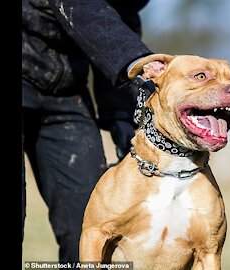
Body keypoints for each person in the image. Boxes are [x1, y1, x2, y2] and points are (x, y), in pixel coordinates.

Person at [22, 0, 153, 264]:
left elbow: (118, 16)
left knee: (93, 226)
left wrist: (121, 111)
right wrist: (138, 62)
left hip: (66, 91)